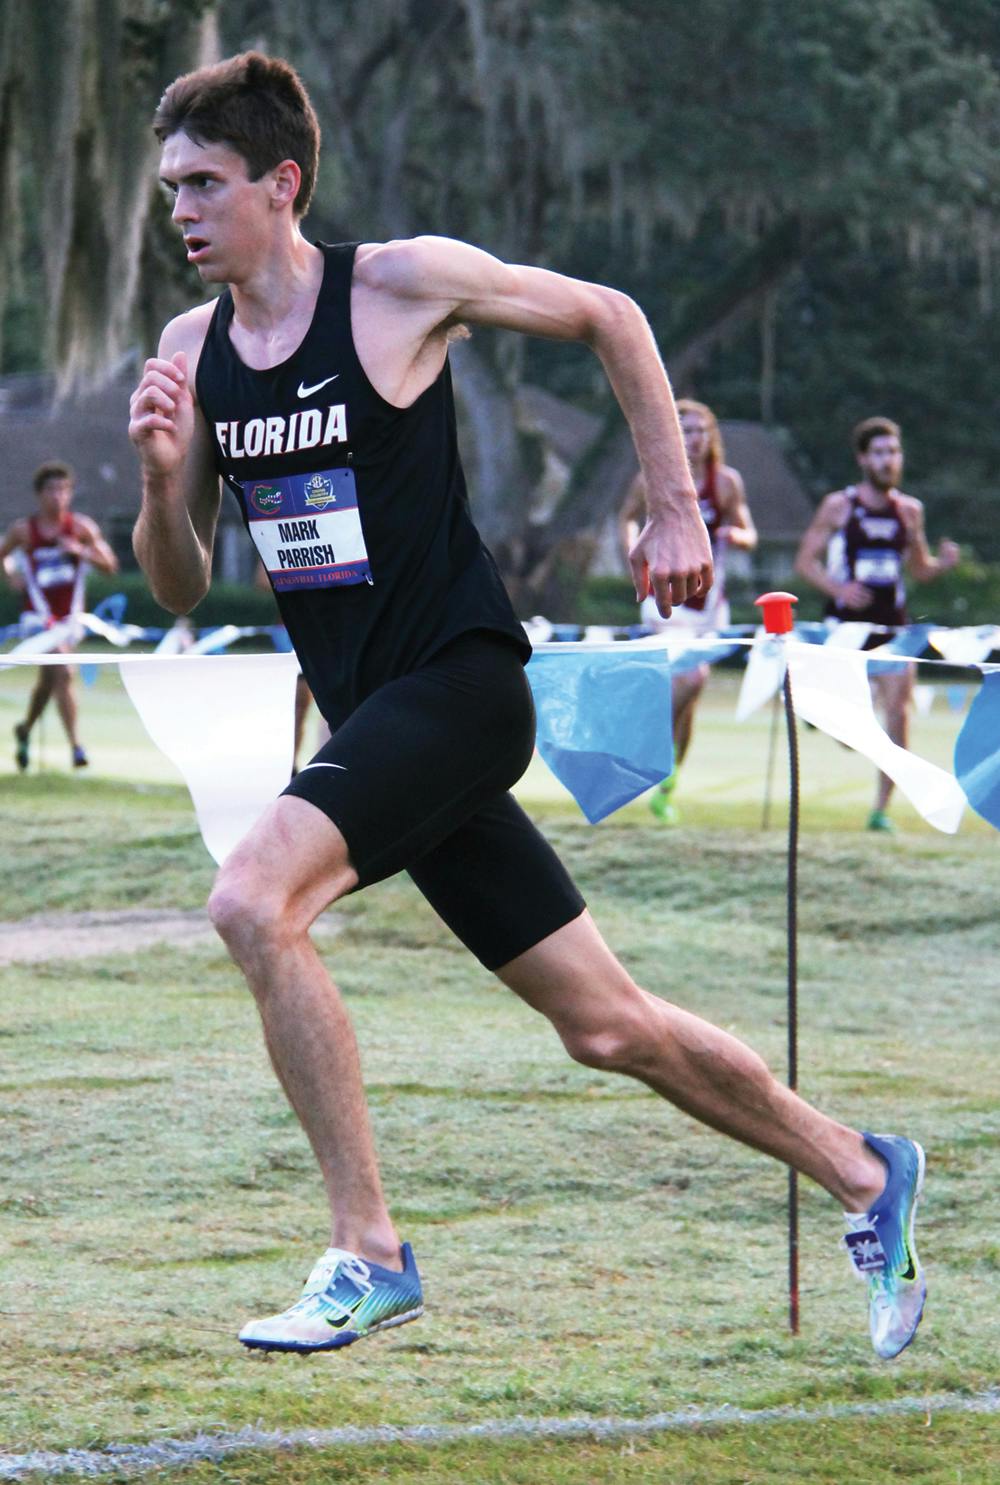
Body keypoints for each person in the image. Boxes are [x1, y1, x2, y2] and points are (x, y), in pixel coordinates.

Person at [128, 52, 926, 1362]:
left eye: (204, 183)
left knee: (248, 899)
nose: (181, 210)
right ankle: (865, 1171)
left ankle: (370, 1252)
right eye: (168, 189)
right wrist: (164, 481)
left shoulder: (397, 286)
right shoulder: (189, 353)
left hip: (460, 689)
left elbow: (612, 312)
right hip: (379, 731)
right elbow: (171, 583)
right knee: (607, 1026)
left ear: (282, 183)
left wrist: (675, 504)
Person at [795, 417, 959, 832]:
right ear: (863, 459)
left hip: (893, 631)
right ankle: (820, 713)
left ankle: (880, 810)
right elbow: (804, 562)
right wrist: (839, 588)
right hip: (844, 629)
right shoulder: (840, 506)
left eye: (895, 452)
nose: (889, 461)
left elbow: (919, 570)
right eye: (881, 453)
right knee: (848, 732)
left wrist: (943, 565)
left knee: (899, 714)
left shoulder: (909, 510)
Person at [620, 400, 756, 823]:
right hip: (666, 602)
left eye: (701, 431)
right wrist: (631, 551)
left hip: (710, 607)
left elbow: (750, 532)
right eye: (686, 431)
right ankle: (645, 742)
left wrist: (737, 533)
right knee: (690, 677)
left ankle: (667, 785)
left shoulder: (727, 483)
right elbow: (625, 519)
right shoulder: (651, 479)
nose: (694, 440)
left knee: (691, 696)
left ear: (711, 438)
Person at [0, 461, 119, 771]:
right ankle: (76, 746)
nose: (58, 496)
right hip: (37, 617)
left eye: (63, 490)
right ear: (40, 495)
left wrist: (81, 552)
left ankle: (25, 728)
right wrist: (11, 574)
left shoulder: (81, 528)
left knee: (48, 678)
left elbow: (110, 566)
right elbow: (2, 555)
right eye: (51, 490)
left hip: (70, 618)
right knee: (64, 669)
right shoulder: (24, 530)